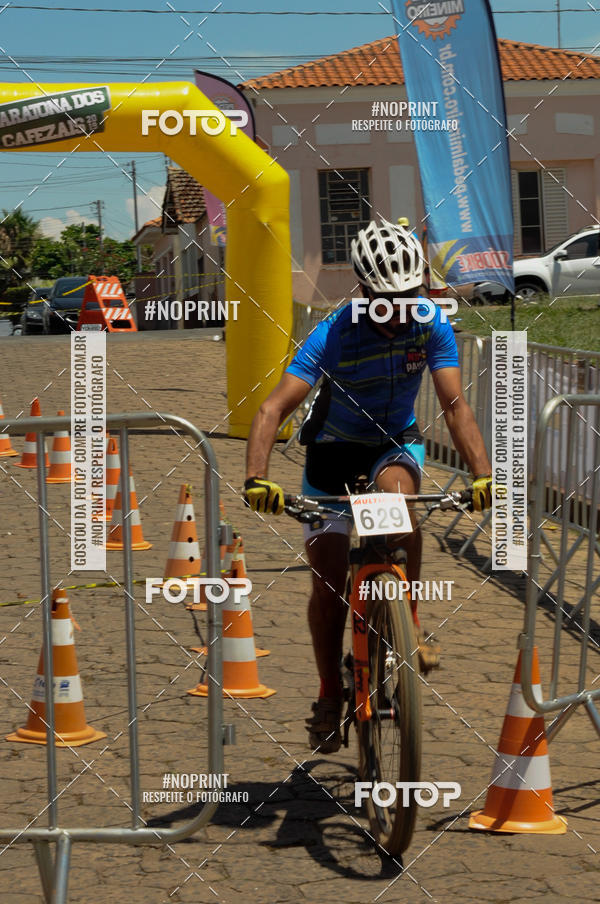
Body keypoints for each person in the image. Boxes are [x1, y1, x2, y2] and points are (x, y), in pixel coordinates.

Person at [243, 216, 492, 753]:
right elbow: (272, 407)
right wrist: (255, 477)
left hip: (392, 444)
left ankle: (411, 625)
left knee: (399, 508)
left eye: (411, 293)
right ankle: (330, 692)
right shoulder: (333, 332)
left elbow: (453, 405)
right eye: (390, 297)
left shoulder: (431, 323)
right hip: (332, 455)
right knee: (328, 585)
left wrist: (482, 473)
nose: (403, 307)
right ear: (364, 291)